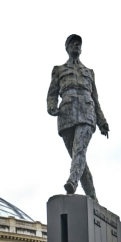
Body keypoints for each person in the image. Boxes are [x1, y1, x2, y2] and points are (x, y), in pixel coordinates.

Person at [47, 35, 109, 202]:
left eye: (78, 44)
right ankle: (92, 196)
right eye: (73, 43)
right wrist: (51, 107)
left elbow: (95, 98)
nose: (76, 46)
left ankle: (72, 182)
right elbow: (52, 93)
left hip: (87, 113)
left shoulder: (89, 72)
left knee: (79, 150)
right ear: (67, 48)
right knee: (78, 156)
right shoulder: (58, 70)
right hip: (66, 115)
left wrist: (102, 121)